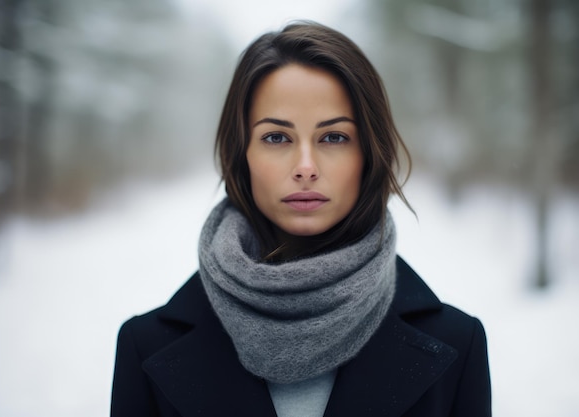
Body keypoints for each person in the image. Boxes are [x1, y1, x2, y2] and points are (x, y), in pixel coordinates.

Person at [111, 21, 491, 417]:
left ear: (369, 155)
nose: (306, 167)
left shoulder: (457, 344)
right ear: (241, 154)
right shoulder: (146, 346)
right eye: (276, 137)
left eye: (334, 137)